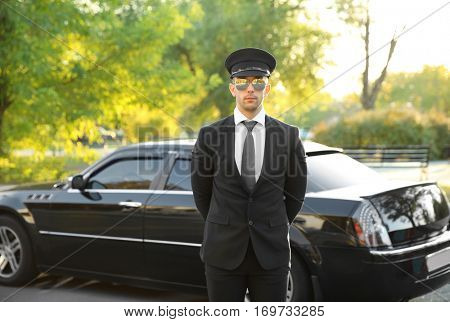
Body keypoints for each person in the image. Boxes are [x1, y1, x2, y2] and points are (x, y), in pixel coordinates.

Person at [191, 47, 307, 302]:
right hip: (222, 252)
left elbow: (296, 194)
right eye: (242, 82)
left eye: (258, 82)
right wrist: (224, 222)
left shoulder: (289, 136)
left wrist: (271, 223)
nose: (250, 89)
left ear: (267, 88)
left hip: (271, 254)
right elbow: (202, 194)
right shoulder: (209, 136)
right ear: (233, 88)